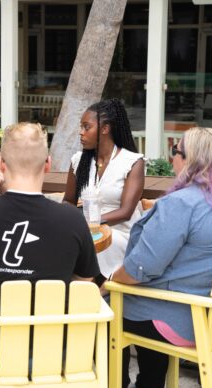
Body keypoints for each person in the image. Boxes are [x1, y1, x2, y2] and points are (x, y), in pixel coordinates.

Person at [109, 127, 212, 388]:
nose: (172, 159)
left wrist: (111, 280)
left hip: (185, 322)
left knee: (108, 309)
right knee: (144, 300)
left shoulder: (181, 205)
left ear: (191, 161)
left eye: (175, 152)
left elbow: (141, 270)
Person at [0, 122, 99, 286]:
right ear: (48, 164)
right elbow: (84, 279)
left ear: (2, 164)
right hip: (50, 311)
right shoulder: (72, 219)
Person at [63, 98, 144, 280]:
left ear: (105, 129)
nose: (80, 133)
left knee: (91, 243)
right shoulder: (78, 161)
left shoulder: (132, 162)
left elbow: (125, 212)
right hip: (86, 231)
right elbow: (68, 200)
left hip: (120, 233)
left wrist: (91, 223)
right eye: (81, 127)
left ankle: (91, 291)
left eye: (86, 127)